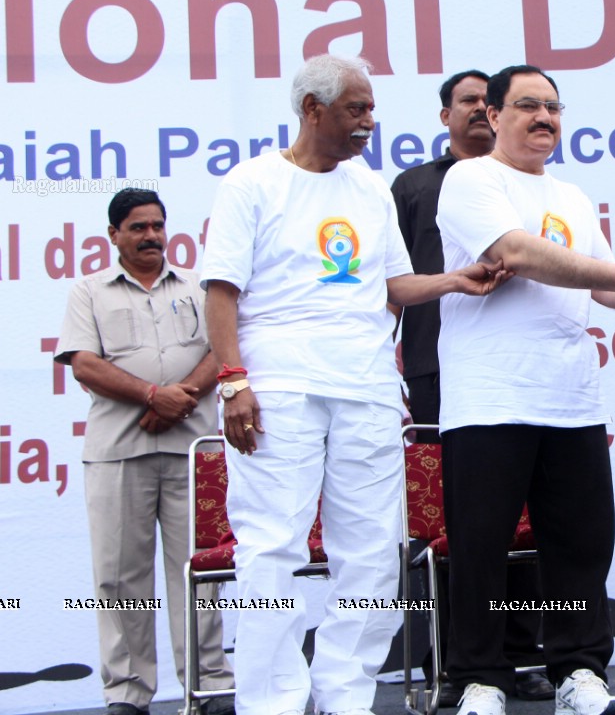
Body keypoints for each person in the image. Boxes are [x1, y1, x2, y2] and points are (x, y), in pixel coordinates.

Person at [201, 54, 506, 715]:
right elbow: (220, 290)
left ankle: (345, 697)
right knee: (272, 548)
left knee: (370, 555)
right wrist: (231, 382)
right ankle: (273, 703)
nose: (370, 121)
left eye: (371, 108)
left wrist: (456, 279)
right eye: (356, 109)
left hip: (367, 387)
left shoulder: (369, 187)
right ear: (312, 109)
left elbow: (393, 285)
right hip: (279, 386)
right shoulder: (251, 182)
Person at [436, 64, 615, 715]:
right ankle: (480, 681)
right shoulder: (471, 180)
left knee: (579, 544)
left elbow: (604, 289)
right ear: (493, 115)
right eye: (528, 105)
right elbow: (517, 252)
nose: (545, 118)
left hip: (570, 398)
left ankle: (579, 674)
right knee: (482, 547)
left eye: (554, 106)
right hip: (489, 396)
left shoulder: (574, 197)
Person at [391, 69, 555, 705]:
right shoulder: (413, 187)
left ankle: (525, 653)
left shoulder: (526, 182)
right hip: (437, 369)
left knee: (528, 513)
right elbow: (392, 280)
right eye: (467, 104)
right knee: (461, 519)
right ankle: (460, 659)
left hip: (526, 367)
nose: (479, 114)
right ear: (446, 116)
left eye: (487, 103)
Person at [55, 188, 235, 715]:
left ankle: (207, 686)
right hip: (118, 452)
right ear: (114, 235)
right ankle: (127, 693)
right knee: (119, 577)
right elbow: (84, 364)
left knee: (198, 572)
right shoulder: (88, 291)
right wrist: (154, 396)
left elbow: (221, 348)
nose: (151, 235)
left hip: (193, 451)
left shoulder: (198, 287)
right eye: (138, 227)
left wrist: (181, 400)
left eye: (157, 225)